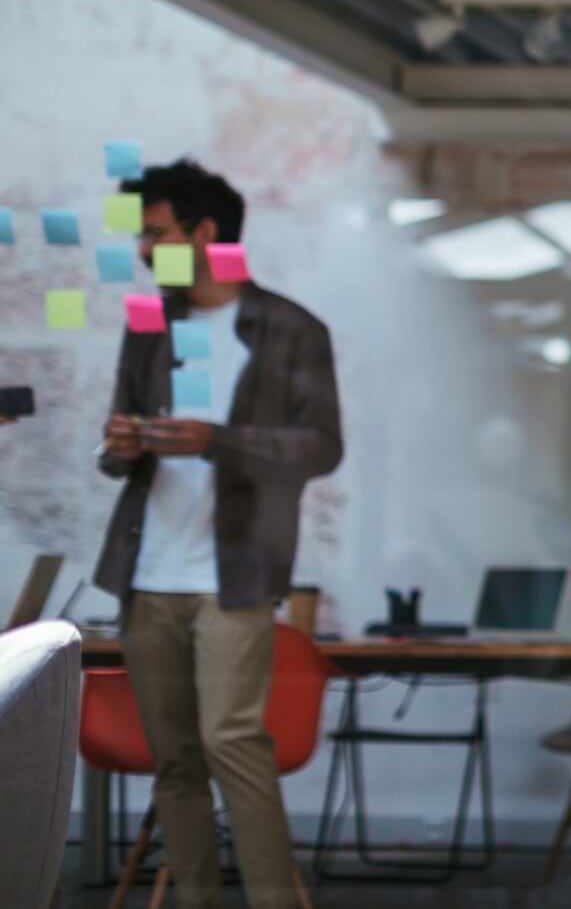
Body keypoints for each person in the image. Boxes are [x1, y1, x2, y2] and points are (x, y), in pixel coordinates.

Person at [93, 159, 342, 908]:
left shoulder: (291, 327)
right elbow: (114, 451)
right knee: (173, 762)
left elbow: (320, 447)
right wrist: (121, 445)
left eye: (156, 233)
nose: (142, 248)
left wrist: (217, 439)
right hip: (146, 574)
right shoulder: (147, 323)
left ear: (206, 233)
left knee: (233, 742)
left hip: (232, 575)